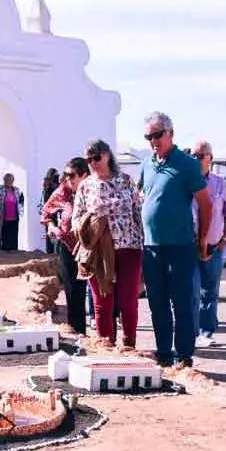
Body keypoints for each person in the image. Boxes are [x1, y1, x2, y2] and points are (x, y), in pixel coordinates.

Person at [138, 112, 212, 368]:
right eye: (149, 136)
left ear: (170, 133)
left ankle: (184, 356)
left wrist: (203, 238)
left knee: (181, 301)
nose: (153, 141)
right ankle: (163, 353)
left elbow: (205, 204)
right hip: (151, 246)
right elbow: (144, 198)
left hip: (180, 246)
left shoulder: (187, 164)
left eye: (157, 135)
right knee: (156, 302)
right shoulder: (146, 164)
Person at [71, 140, 144, 347]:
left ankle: (129, 345)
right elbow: (76, 219)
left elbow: (137, 213)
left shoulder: (126, 181)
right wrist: (87, 226)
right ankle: (105, 346)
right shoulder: (85, 186)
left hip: (129, 247)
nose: (93, 163)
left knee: (128, 301)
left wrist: (142, 245)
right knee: (102, 302)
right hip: (98, 251)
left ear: (107, 155)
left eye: (96, 157)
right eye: (88, 159)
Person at [43, 158, 92, 335]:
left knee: (93, 292)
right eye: (65, 175)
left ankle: (103, 338)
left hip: (90, 247)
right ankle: (78, 333)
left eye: (71, 175)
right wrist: (51, 227)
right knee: (73, 292)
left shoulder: (93, 190)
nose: (67, 179)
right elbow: (46, 212)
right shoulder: (62, 192)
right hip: (67, 247)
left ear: (84, 175)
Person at [191, 141, 226, 348]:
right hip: (190, 247)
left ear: (210, 158)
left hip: (214, 245)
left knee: (210, 292)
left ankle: (206, 333)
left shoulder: (220, 183)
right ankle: (191, 333)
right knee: (192, 291)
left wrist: (225, 238)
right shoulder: (186, 182)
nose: (197, 159)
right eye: (194, 155)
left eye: (201, 155)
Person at [0, 173, 24, 251]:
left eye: (10, 180)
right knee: (4, 240)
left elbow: (20, 202)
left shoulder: (16, 190)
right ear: (4, 180)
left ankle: (14, 257)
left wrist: (20, 211)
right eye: (6, 180)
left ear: (13, 181)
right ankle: (4, 257)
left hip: (14, 218)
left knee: (14, 238)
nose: (8, 182)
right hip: (3, 218)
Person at [41, 167, 61, 253]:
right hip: (53, 210)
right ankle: (53, 252)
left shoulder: (47, 183)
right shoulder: (51, 183)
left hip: (51, 210)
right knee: (53, 232)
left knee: (51, 232)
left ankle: (51, 251)